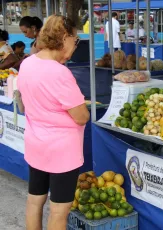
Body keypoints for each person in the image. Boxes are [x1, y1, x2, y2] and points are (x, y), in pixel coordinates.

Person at [17, 15, 89, 230]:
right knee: (59, 210)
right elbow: (81, 116)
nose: (74, 46)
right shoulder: (60, 73)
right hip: (61, 151)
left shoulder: (28, 63)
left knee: (34, 199)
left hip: (36, 143)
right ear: (65, 38)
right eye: (75, 41)